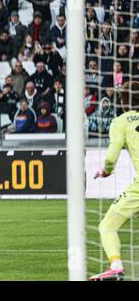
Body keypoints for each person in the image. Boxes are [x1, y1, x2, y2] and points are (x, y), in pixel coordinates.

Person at [91, 81, 139, 281]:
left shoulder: (121, 121)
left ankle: (116, 266)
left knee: (107, 226)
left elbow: (112, 156)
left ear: (122, 100)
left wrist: (106, 171)